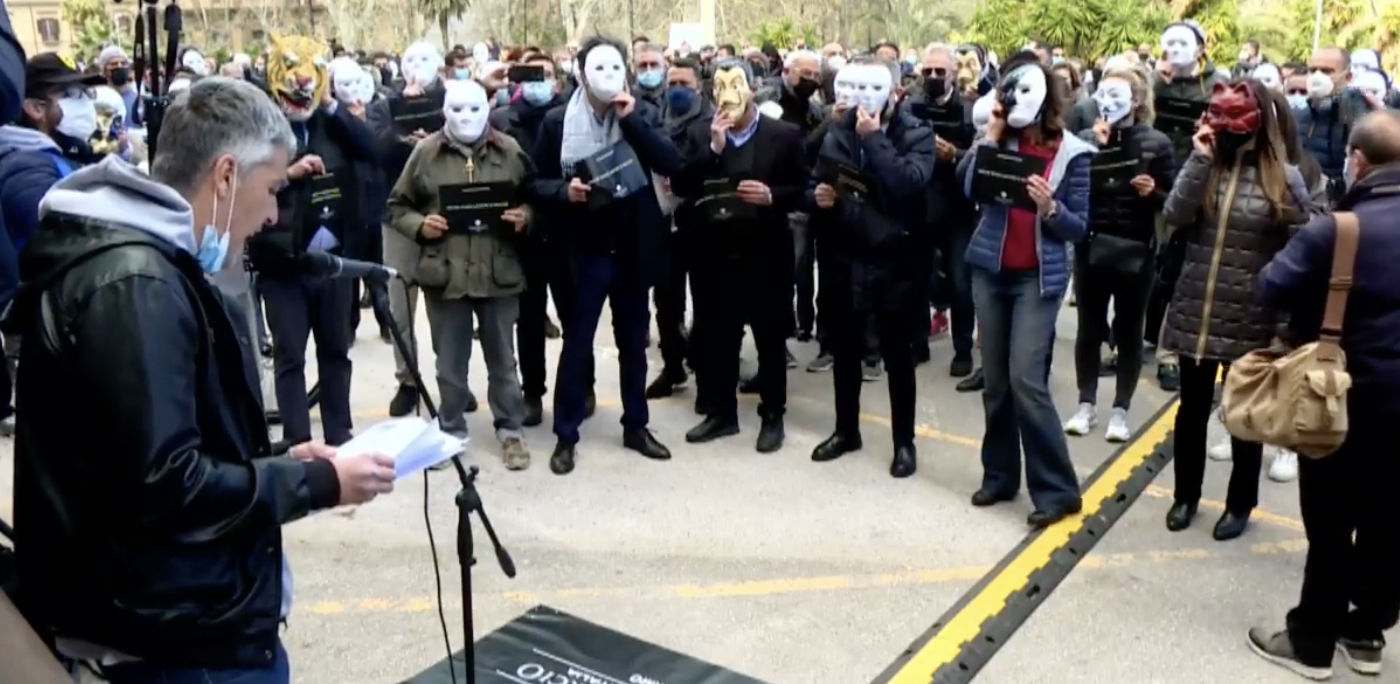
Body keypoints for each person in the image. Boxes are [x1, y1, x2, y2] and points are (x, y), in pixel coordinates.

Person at [3, 76, 394, 684]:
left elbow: (155, 443)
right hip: (175, 636)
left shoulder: (146, 267)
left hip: (177, 615)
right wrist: (316, 482)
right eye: (270, 190)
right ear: (226, 175)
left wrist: (276, 459)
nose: (271, 215)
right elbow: (162, 485)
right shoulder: (137, 285)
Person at [1245, 108, 1400, 682]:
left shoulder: (1339, 228)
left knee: (1331, 519)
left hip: (1341, 396)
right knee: (1390, 519)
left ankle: (1312, 640)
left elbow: (1271, 286)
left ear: (1356, 161)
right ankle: (1367, 633)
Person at [1159, 79, 1310, 541]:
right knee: (1191, 411)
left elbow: (1301, 251)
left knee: (1245, 417)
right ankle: (1185, 496)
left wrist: (1284, 326)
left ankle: (1240, 504)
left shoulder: (1284, 176)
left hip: (1253, 316)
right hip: (1197, 312)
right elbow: (1174, 214)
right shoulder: (1207, 166)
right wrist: (1199, 157)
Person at [528, 35, 681, 474]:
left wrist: (633, 122)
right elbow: (533, 182)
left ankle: (636, 426)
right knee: (577, 347)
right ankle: (566, 436)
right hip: (584, 250)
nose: (609, 78)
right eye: (599, 69)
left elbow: (671, 162)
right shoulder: (558, 122)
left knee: (633, 343)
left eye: (617, 68)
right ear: (580, 74)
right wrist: (564, 191)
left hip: (632, 247)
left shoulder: (644, 112)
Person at [958, 51, 1092, 527]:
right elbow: (969, 188)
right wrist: (989, 138)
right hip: (990, 273)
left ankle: (1058, 490)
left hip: (1038, 278)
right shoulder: (1000, 138)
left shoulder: (1071, 153)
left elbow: (1079, 228)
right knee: (995, 384)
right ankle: (999, 475)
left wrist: (1050, 208)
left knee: (1026, 381)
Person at [387, 79, 535, 470]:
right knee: (449, 364)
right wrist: (421, 225)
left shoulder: (510, 150)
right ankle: (449, 431)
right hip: (446, 273)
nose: (466, 117)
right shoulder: (425, 153)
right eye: (457, 109)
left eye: (474, 108)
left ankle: (511, 430)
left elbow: (534, 198)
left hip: (497, 271)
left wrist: (527, 217)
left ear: (488, 108)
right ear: (443, 112)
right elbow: (397, 206)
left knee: (503, 359)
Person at [807, 57, 933, 478]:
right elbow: (818, 177)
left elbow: (907, 183)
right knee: (845, 349)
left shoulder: (916, 132)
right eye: (852, 88)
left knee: (897, 355)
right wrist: (819, 198)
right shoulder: (837, 131)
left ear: (896, 92)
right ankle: (846, 430)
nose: (860, 100)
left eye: (871, 89)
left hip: (895, 258)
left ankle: (903, 442)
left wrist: (875, 138)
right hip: (845, 254)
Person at [673, 59, 806, 453]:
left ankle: (773, 414)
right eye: (720, 86)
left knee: (769, 338)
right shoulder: (700, 134)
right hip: (714, 253)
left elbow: (801, 188)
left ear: (752, 88)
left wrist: (772, 196)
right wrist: (713, 151)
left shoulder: (783, 135)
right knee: (718, 337)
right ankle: (721, 413)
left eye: (735, 84)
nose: (727, 95)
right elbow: (681, 183)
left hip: (766, 251)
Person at [1064, 66, 1176, 442]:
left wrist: (1153, 194)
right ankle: (1086, 403)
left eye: (1118, 95)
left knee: (1129, 330)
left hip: (1137, 249)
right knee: (1089, 329)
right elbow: (1068, 183)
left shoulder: (1156, 143)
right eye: (1104, 95)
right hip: (1091, 245)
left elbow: (1175, 201)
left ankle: (1120, 411)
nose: (1108, 103)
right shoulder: (1082, 139)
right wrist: (1091, 145)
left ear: (1138, 100)